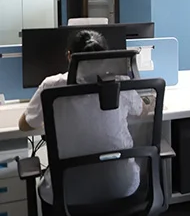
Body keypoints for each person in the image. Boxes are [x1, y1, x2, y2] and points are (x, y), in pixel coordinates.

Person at [18, 30, 149, 213]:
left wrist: (53, 119)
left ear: (69, 56)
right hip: (120, 187)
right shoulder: (121, 83)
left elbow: (24, 125)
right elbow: (143, 111)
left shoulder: (52, 86)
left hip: (67, 194)